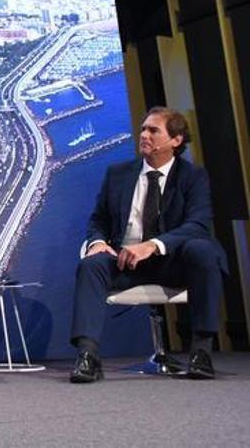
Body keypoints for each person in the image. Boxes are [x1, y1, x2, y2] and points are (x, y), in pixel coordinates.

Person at [70, 107, 227, 382]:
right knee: (92, 265)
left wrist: (153, 245)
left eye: (153, 130)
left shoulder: (193, 177)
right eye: (143, 129)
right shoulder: (117, 174)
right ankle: (88, 356)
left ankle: (201, 352)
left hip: (174, 261)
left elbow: (197, 224)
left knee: (203, 249)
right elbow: (99, 220)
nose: (144, 134)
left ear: (176, 140)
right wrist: (96, 242)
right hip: (126, 261)